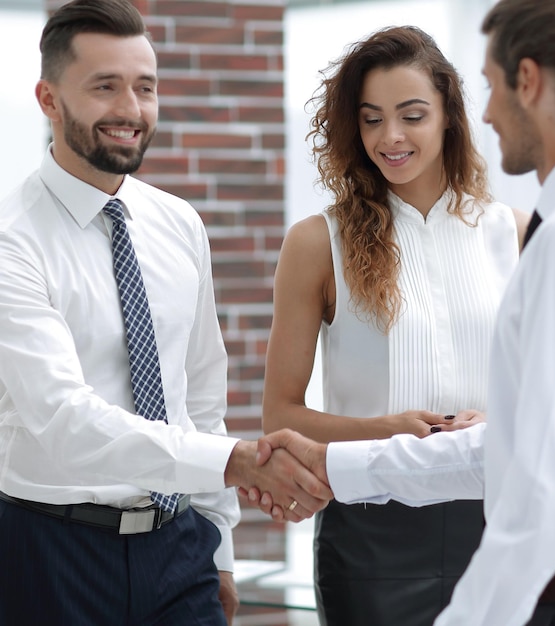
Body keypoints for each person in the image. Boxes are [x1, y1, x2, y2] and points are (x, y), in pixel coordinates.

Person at [0, 1, 332, 625]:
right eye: (105, 87)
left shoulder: (178, 223)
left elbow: (198, 395)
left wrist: (220, 549)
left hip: (180, 548)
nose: (131, 109)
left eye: (145, 87)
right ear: (48, 99)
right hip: (51, 551)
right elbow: (63, 418)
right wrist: (234, 462)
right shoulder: (10, 240)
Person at [256, 2, 555, 623]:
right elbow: (279, 414)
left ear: (451, 115)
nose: (389, 138)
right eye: (371, 120)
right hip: (372, 543)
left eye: (412, 115)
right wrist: (389, 428)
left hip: (498, 526)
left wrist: (494, 422)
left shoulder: (518, 232)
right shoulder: (318, 242)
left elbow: (545, 407)